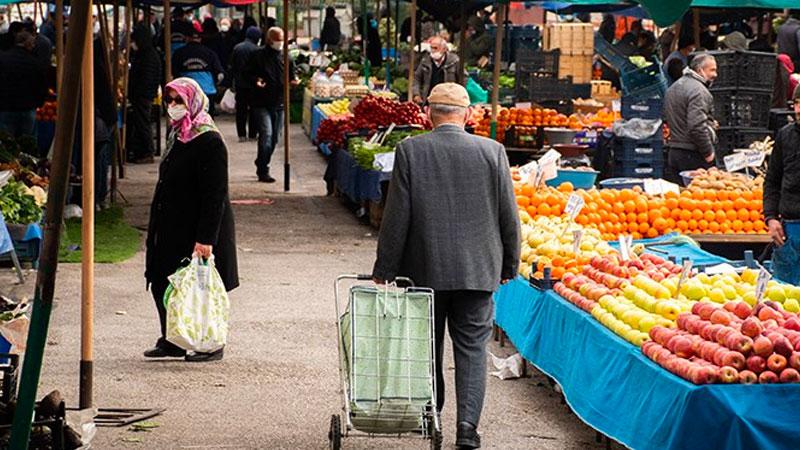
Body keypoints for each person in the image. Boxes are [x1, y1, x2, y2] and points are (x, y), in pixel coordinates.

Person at [372, 83, 520, 450]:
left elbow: (397, 217)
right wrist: (509, 264)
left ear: (428, 115)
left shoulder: (410, 150)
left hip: (424, 269)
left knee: (427, 346)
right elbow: (509, 216)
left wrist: (385, 267)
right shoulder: (493, 152)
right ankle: (467, 430)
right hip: (477, 271)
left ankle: (431, 415)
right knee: (471, 350)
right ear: (469, 115)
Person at [144, 77, 238, 362]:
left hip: (197, 226)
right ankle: (173, 338)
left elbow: (215, 194)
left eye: (179, 101)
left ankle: (209, 343)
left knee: (199, 288)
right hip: (172, 224)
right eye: (169, 100)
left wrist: (206, 238)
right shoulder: (178, 135)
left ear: (193, 103)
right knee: (164, 281)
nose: (172, 107)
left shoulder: (208, 139)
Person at [245, 26, 297, 183]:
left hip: (279, 102)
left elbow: (292, 76)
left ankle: (261, 161)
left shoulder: (286, 57)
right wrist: (256, 80)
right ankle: (263, 169)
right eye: (277, 40)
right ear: (269, 40)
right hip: (261, 102)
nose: (279, 43)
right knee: (266, 135)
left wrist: (294, 82)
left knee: (275, 138)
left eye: (282, 40)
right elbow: (246, 73)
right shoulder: (257, 55)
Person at [662, 53, 718, 184]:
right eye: (712, 70)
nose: (716, 74)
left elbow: (670, 117)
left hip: (674, 152)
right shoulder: (699, 91)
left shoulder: (673, 87)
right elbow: (696, 126)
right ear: (700, 70)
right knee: (698, 200)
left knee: (680, 199)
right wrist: (709, 154)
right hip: (692, 154)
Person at [763, 86, 800, 284]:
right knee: (785, 295)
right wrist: (770, 218)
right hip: (789, 230)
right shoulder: (785, 136)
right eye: (797, 103)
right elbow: (772, 180)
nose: (799, 110)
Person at [0, 31, 47, 139]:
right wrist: (39, 103)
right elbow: (42, 85)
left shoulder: (3, 59)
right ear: (28, 44)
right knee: (27, 145)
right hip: (28, 108)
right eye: (32, 44)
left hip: (6, 107)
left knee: (6, 144)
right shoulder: (35, 62)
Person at [172, 27, 225, 116]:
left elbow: (174, 72)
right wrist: (216, 84)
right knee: (207, 119)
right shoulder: (209, 53)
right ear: (200, 39)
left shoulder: (179, 53)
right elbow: (220, 74)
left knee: (187, 118)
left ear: (187, 38)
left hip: (187, 91)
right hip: (207, 91)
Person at [229, 26, 261, 142]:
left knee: (241, 110)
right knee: (253, 110)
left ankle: (241, 134)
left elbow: (232, 66)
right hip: (254, 85)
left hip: (240, 84)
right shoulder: (257, 50)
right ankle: (253, 133)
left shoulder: (237, 48)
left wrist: (231, 83)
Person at [412, 36, 464, 105]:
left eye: (435, 48)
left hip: (448, 101)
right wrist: (416, 94)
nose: (433, 51)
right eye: (431, 48)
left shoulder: (454, 61)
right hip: (429, 100)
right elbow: (417, 78)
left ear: (444, 49)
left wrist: (460, 96)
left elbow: (463, 79)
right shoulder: (425, 61)